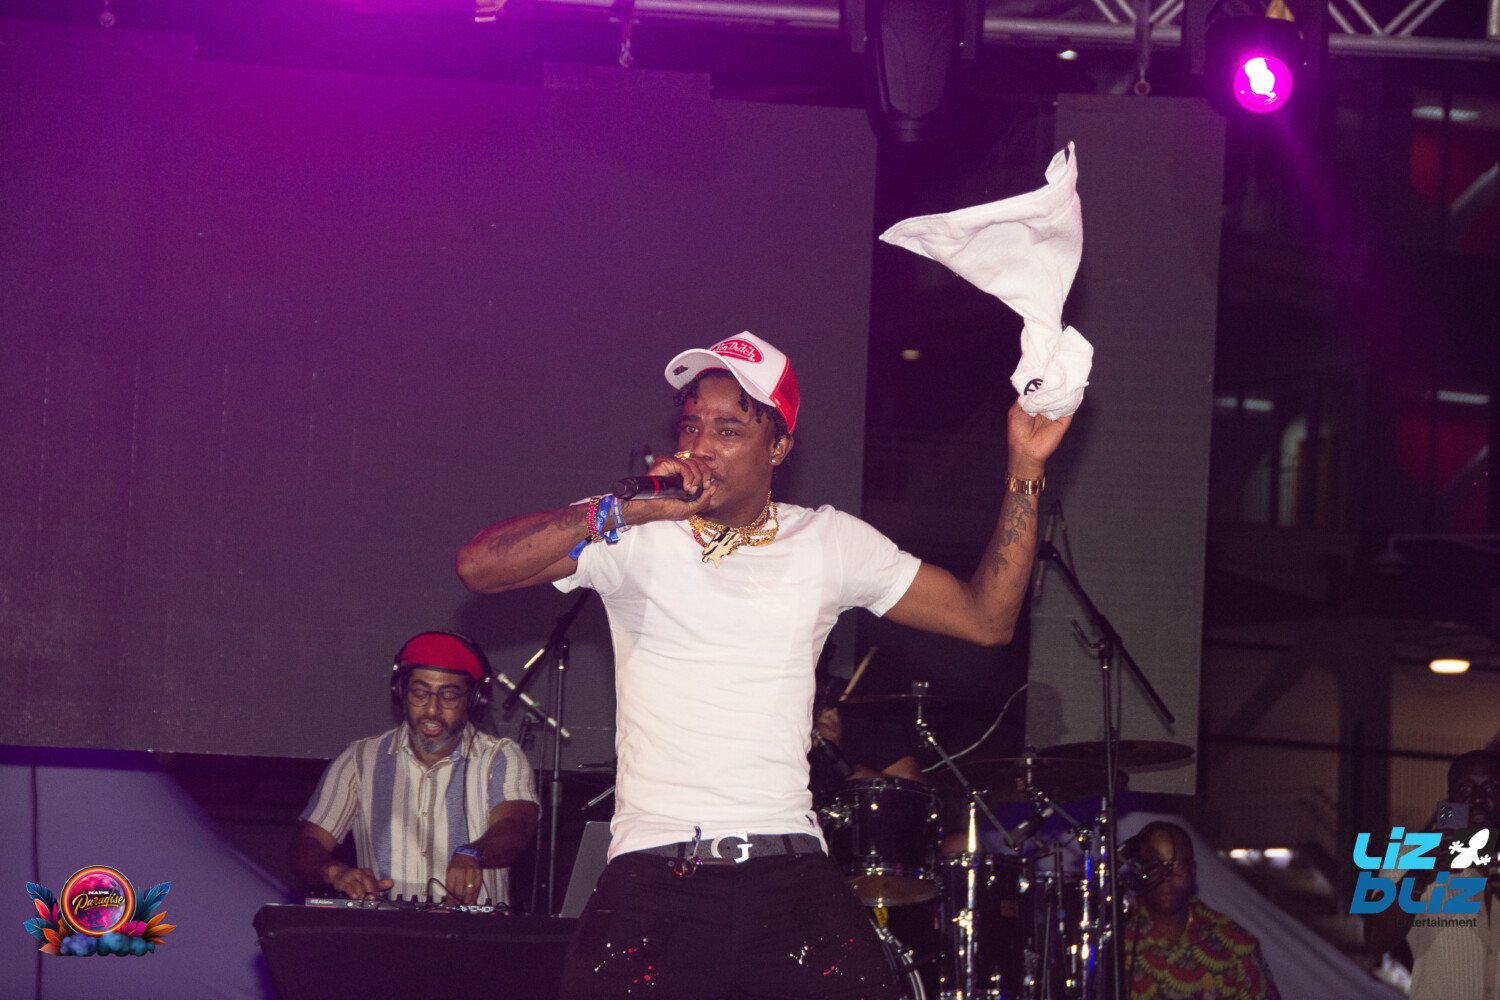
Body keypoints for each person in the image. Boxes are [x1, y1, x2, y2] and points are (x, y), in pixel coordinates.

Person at [456, 331, 1069, 998]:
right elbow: (480, 567)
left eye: (728, 430)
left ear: (778, 447)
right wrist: (623, 510)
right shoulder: (632, 533)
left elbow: (986, 619)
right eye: (691, 426)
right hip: (656, 875)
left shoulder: (829, 541)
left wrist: (1025, 468)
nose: (701, 446)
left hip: (788, 868)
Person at [289, 631, 539, 906]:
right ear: (401, 693)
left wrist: (474, 853)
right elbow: (307, 845)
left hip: (474, 932)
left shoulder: (501, 757)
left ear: (473, 699)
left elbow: (516, 827)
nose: (432, 710)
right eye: (420, 693)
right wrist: (335, 872)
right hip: (385, 930)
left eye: (449, 696)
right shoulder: (359, 759)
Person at [1364, 748, 1500, 1000]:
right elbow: (1375, 940)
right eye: (1465, 788)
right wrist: (1419, 874)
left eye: (1492, 788)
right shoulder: (1410, 852)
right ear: (1449, 798)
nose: (1478, 799)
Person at [1122, 821, 1281, 1000]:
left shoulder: (1235, 944)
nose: (1166, 877)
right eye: (1155, 865)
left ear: (1193, 871)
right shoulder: (1116, 939)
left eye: (1177, 866)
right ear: (1139, 871)